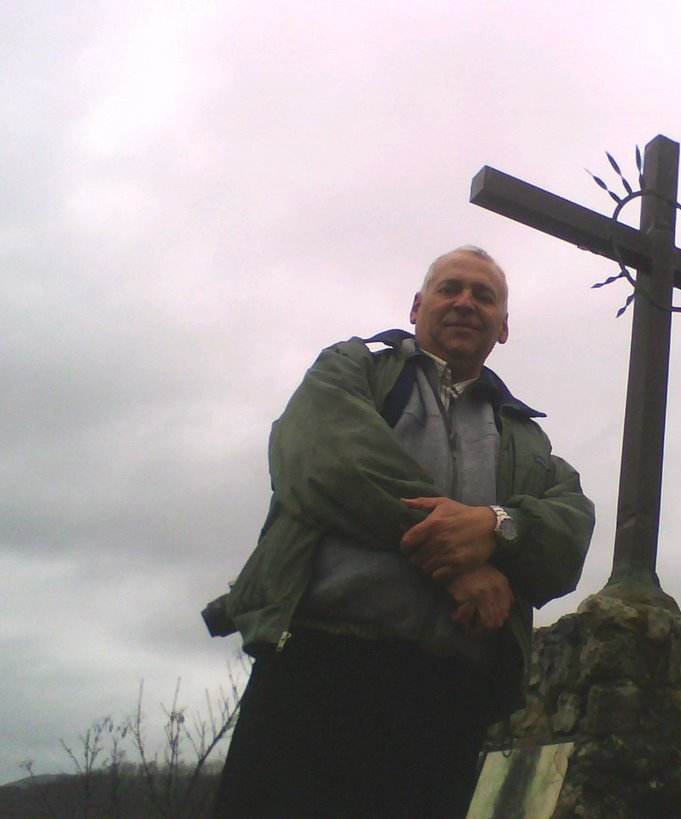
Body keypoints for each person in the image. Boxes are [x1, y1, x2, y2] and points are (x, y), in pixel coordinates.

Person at [212, 246, 595, 818]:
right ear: (417, 307)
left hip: (447, 703)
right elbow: (325, 461)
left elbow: (570, 529)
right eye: (450, 289)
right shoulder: (355, 368)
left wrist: (498, 526)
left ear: (504, 327)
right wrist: (460, 560)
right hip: (318, 670)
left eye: (484, 296)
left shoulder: (524, 436)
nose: (465, 302)